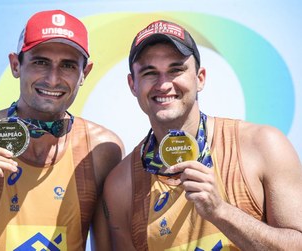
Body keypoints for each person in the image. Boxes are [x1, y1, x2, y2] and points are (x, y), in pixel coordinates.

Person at [0, 10, 124, 250]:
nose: (52, 79)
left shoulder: (101, 150)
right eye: (41, 62)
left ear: (85, 73)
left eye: (68, 66)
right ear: (16, 65)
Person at [103, 19, 302, 250]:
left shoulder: (263, 145)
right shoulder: (121, 184)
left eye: (176, 69)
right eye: (149, 73)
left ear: (200, 78)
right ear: (132, 85)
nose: (164, 84)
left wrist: (221, 212)